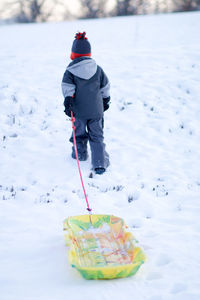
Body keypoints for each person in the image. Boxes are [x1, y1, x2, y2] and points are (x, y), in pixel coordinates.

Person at [61, 32, 110, 175]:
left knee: (79, 134)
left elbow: (67, 88)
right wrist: (105, 100)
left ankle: (79, 155)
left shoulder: (70, 71)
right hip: (96, 110)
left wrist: (68, 101)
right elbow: (105, 87)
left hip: (78, 111)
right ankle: (99, 164)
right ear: (89, 53)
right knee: (97, 136)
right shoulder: (98, 69)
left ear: (73, 53)